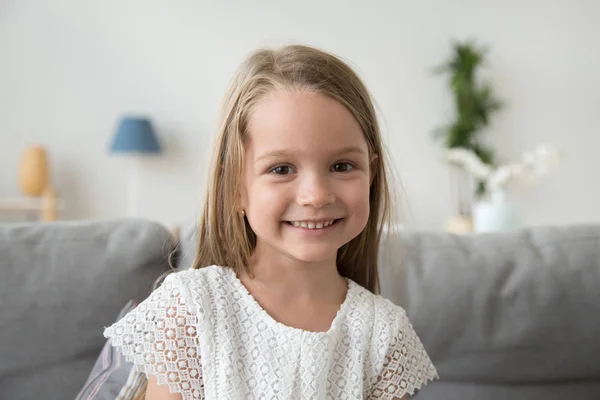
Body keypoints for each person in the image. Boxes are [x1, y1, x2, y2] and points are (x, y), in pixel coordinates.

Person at [104, 44, 437, 399]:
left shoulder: (385, 334)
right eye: (281, 169)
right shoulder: (192, 309)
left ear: (370, 174)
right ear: (235, 188)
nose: (316, 195)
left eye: (342, 166)